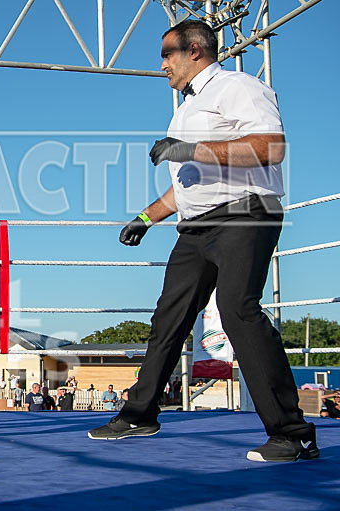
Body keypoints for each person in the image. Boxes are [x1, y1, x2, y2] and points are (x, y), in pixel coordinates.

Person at [87, 20, 319, 463]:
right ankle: (139, 414)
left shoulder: (239, 87)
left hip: (244, 213)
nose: (162, 65)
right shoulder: (185, 109)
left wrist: (189, 149)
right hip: (196, 226)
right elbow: (191, 183)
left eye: (167, 53)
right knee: (168, 318)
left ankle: (293, 434)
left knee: (238, 310)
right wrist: (145, 217)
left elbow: (271, 147)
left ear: (195, 50)